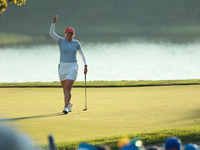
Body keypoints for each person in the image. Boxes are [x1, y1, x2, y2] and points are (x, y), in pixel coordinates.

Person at [50, 15, 87, 114]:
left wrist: (85, 65)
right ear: (65, 33)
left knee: (68, 87)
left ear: (73, 35)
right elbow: (51, 33)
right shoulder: (61, 41)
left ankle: (65, 107)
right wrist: (54, 23)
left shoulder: (76, 43)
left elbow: (81, 54)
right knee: (64, 88)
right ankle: (69, 103)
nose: (69, 35)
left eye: (71, 34)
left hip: (73, 66)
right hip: (62, 66)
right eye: (67, 33)